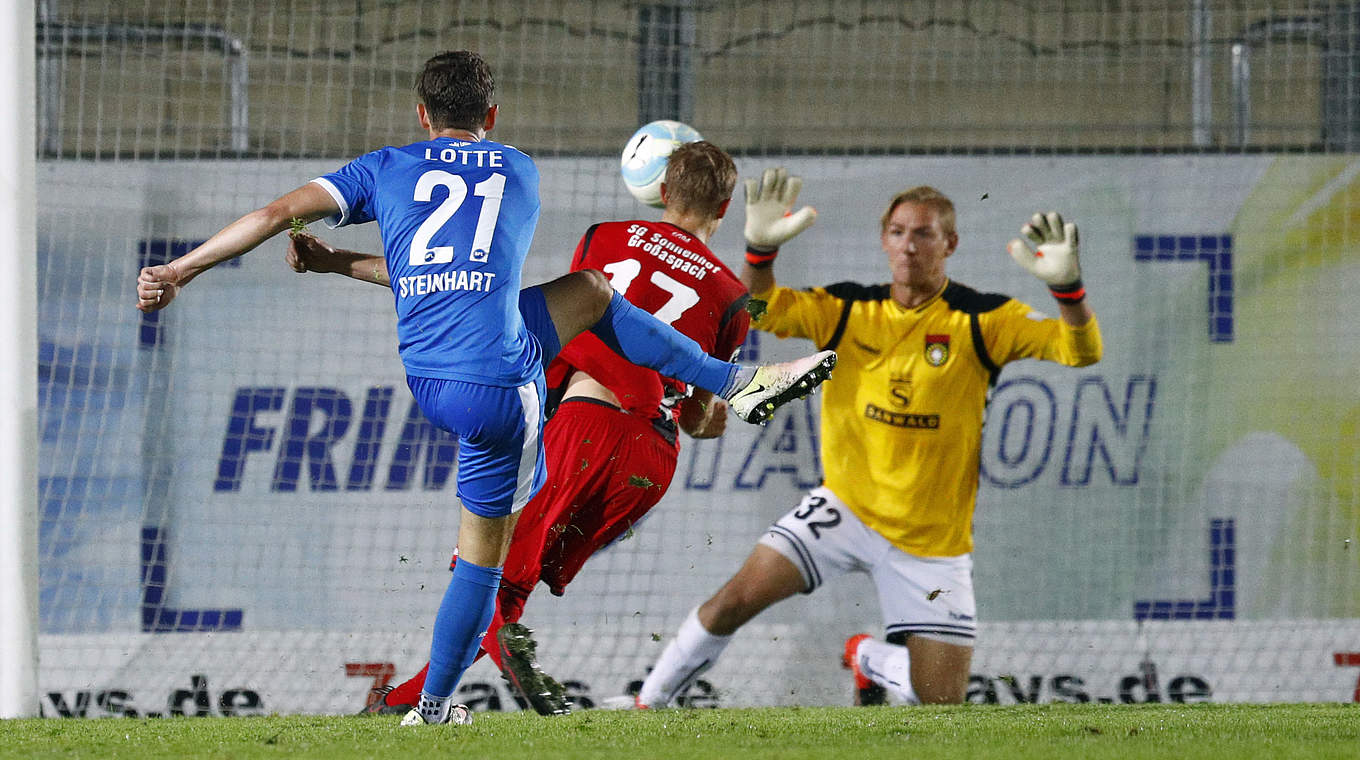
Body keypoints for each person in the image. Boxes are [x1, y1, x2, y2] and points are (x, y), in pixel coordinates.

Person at [132, 51, 836, 726]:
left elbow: (271, 216)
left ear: (420, 114)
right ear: (492, 116)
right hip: (514, 387)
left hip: (432, 380)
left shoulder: (387, 168)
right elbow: (488, 277)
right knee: (487, 555)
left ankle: (428, 708)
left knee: (589, 291)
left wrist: (181, 271)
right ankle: (733, 383)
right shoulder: (517, 171)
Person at [285, 141, 818, 717]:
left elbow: (570, 317)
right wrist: (756, 265)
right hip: (649, 462)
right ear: (727, 204)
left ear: (661, 191)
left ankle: (413, 705)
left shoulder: (604, 236)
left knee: (489, 575)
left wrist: (336, 260)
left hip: (584, 425)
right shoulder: (733, 295)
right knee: (508, 586)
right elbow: (698, 421)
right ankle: (409, 706)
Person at [634, 177, 1103, 708]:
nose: (909, 245)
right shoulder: (847, 310)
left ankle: (867, 657)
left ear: (950, 244)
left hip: (932, 543)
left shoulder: (983, 319)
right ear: (883, 240)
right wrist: (760, 252)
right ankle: (646, 705)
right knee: (732, 603)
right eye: (898, 232)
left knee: (941, 708)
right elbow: (756, 311)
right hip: (844, 510)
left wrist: (1069, 291)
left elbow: (1080, 350)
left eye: (924, 234)